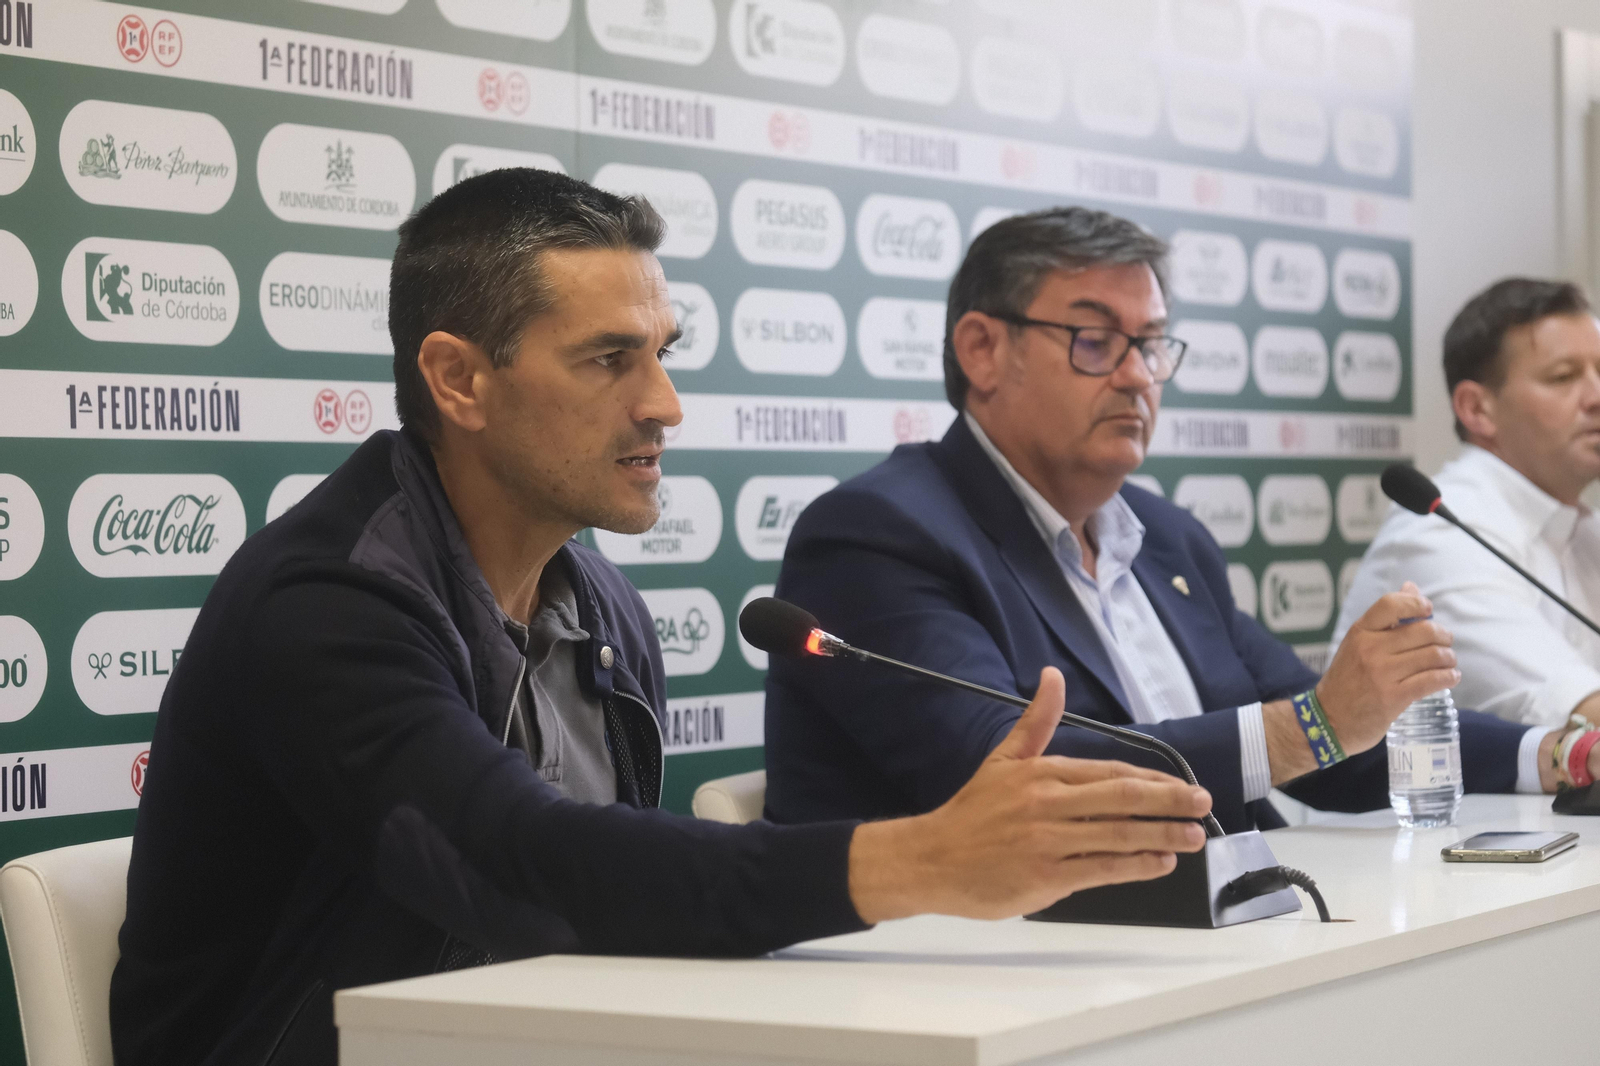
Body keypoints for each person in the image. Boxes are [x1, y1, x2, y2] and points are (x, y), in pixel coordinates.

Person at [109, 173, 1215, 1066]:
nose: (663, 404)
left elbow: (606, 924)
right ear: (458, 380)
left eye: (661, 353)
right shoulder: (326, 605)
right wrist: (917, 861)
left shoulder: (606, 613)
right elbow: (528, 865)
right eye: (607, 359)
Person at [763, 208, 1600, 832]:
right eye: (1096, 341)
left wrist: (1558, 756)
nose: (1137, 377)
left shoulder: (1166, 539)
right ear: (982, 350)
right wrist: (1307, 727)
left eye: (1153, 344)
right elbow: (1004, 770)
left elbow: (1327, 741)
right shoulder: (878, 536)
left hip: (1224, 938)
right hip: (988, 974)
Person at [1334, 278, 1600, 730]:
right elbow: (1583, 713)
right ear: (1477, 409)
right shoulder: (1441, 531)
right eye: (1564, 377)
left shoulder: (1583, 528)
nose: (1596, 397)